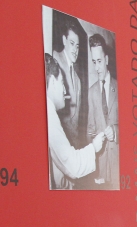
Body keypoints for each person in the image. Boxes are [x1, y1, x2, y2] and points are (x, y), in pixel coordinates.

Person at [45, 54, 104, 190]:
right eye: (62, 83)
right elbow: (72, 165)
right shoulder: (49, 115)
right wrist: (94, 147)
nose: (65, 91)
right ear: (53, 82)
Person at [87, 34, 119, 188]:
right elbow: (90, 130)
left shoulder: (120, 88)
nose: (96, 67)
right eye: (94, 62)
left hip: (119, 167)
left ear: (106, 60)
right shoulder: (92, 92)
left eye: (99, 61)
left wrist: (116, 131)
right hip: (100, 169)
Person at [53, 24, 83, 147]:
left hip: (72, 145)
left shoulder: (77, 79)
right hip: (58, 142)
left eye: (77, 46)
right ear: (64, 40)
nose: (75, 50)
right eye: (72, 43)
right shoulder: (54, 59)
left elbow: (76, 119)